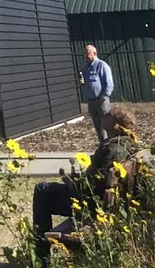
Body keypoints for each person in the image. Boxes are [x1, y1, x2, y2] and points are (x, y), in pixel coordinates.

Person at [31, 105, 144, 261]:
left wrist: (73, 183)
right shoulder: (130, 144)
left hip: (92, 205)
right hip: (105, 201)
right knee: (47, 189)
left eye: (108, 114)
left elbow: (95, 186)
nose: (104, 116)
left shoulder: (114, 149)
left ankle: (40, 255)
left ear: (115, 123)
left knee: (42, 190)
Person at [79, 44, 115, 148]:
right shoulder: (85, 68)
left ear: (94, 53)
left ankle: (111, 146)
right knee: (98, 127)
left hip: (101, 101)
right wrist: (82, 83)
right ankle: (103, 146)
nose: (86, 56)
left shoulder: (101, 65)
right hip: (91, 102)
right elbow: (86, 83)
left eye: (88, 53)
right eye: (85, 53)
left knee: (107, 125)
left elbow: (109, 83)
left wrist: (104, 96)